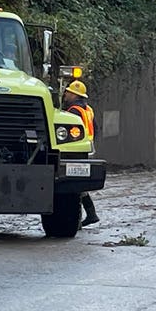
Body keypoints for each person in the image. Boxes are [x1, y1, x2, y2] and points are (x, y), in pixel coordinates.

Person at [62, 80, 99, 227]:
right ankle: (89, 214)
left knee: (74, 183)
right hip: (87, 148)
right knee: (79, 183)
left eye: (68, 92)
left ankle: (85, 216)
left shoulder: (73, 112)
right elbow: (96, 129)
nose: (65, 94)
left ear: (74, 95)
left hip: (75, 150)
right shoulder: (88, 109)